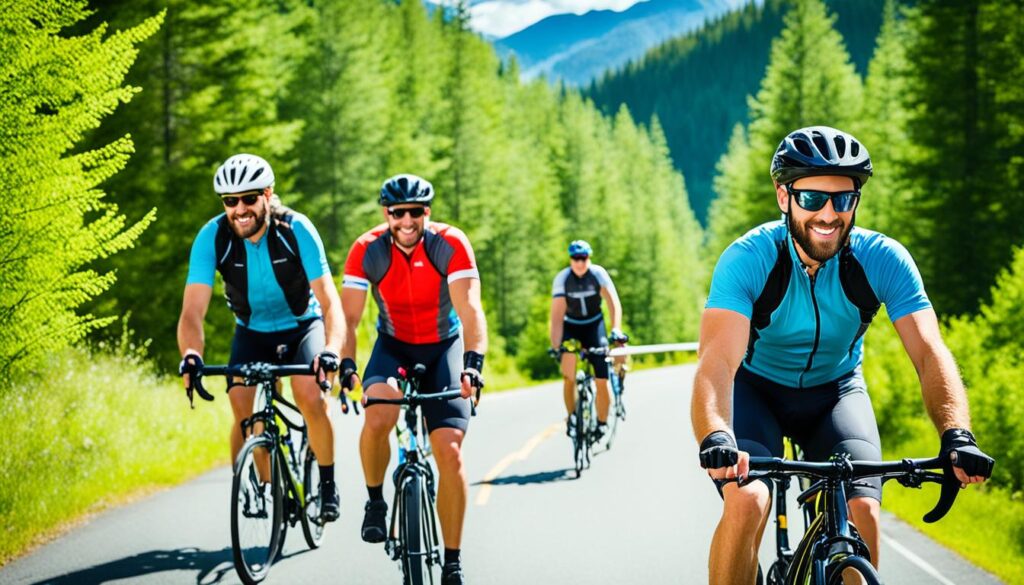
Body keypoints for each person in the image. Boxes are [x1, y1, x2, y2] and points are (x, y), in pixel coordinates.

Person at [691, 126, 995, 585]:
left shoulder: (883, 259)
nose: (829, 214)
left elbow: (930, 353)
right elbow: (716, 363)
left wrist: (957, 433)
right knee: (749, 500)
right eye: (813, 199)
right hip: (755, 391)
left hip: (835, 393)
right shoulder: (749, 258)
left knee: (863, 512)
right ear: (783, 196)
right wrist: (716, 433)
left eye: (844, 199)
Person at [177, 153, 345, 521]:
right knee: (242, 407)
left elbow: (331, 303)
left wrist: (331, 351)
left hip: (302, 326)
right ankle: (269, 489)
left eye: (249, 198)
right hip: (252, 332)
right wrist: (191, 354)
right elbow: (192, 312)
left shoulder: (295, 229)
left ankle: (328, 484)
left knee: (310, 398)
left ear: (268, 195)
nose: (240, 209)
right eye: (230, 201)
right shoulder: (213, 237)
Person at [339, 173, 487, 585]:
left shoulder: (449, 243)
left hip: (444, 347)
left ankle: (452, 561)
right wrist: (347, 365)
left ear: (428, 212)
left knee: (450, 451)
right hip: (394, 346)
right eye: (397, 212)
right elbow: (349, 320)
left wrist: (473, 364)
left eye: (415, 212)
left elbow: (471, 309)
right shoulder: (367, 250)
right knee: (377, 417)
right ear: (386, 214)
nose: (406, 220)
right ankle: (374, 502)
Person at [549, 240, 628, 441]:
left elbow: (613, 304)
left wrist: (616, 329)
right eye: (576, 258)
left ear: (589, 258)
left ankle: (601, 423)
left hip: (594, 325)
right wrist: (556, 345)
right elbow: (557, 316)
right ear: (570, 259)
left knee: (602, 378)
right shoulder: (562, 279)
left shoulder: (598, 274)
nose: (580, 262)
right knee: (568, 376)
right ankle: (573, 417)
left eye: (583, 258)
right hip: (571, 326)